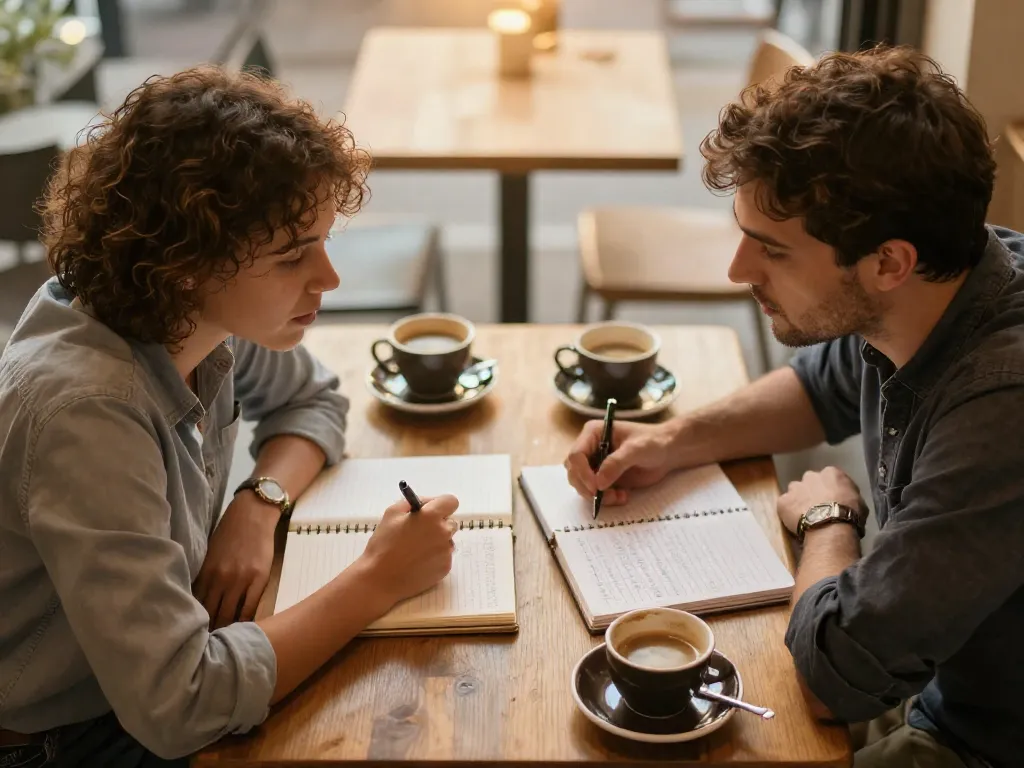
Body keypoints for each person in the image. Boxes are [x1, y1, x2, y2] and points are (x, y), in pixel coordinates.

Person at [565, 46, 1022, 768]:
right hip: (931, 671)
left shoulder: (1004, 406)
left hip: (982, 738)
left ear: (887, 262)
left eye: (771, 251)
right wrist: (671, 440)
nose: (737, 271)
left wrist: (828, 522)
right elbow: (821, 387)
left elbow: (830, 677)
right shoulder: (945, 281)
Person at [0, 67, 460, 766]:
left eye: (324, 239)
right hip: (65, 737)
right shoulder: (90, 412)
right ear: (187, 260)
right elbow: (181, 703)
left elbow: (314, 400)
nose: (330, 278)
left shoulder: (196, 320)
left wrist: (259, 501)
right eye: (292, 255)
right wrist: (378, 579)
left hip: (143, 680)